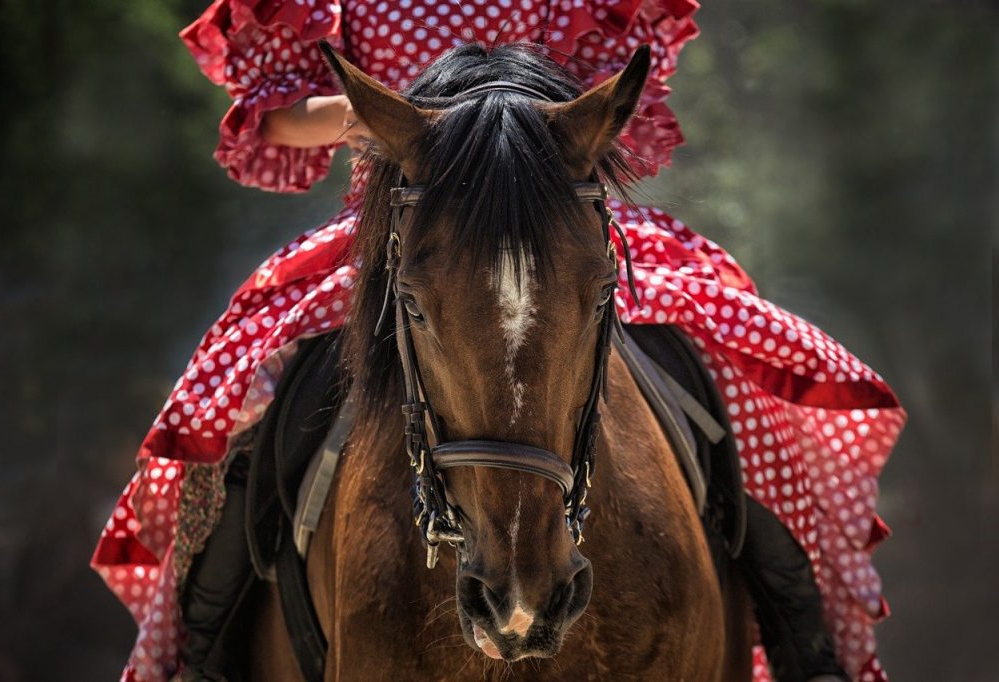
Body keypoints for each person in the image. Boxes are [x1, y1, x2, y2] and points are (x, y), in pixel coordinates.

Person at [90, 1, 905, 680]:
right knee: (247, 405)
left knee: (737, 373)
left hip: (548, 217)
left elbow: (622, 96)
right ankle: (201, 646)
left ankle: (805, 639)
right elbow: (279, 117)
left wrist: (517, 122)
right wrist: (408, 119)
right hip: (408, 225)